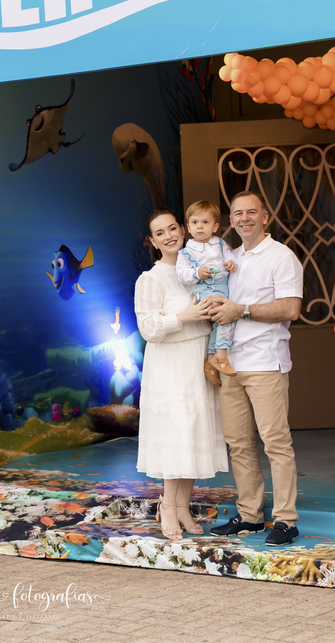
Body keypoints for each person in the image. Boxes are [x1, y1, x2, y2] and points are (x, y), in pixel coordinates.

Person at [207, 192, 305, 545]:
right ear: (231, 220)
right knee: (238, 444)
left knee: (275, 443)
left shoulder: (282, 256)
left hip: (265, 362)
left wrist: (243, 310)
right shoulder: (229, 259)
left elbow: (291, 308)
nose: (244, 218)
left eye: (252, 212)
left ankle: (286, 521)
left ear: (265, 217)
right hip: (230, 363)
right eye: (238, 213)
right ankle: (249, 516)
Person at [134, 208, 231, 540]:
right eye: (159, 233)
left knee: (192, 437)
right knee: (176, 437)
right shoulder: (151, 278)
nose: (168, 236)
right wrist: (184, 316)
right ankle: (167, 506)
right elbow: (148, 329)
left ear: (183, 230)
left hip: (197, 361)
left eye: (172, 228)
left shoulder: (199, 270)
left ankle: (183, 507)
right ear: (153, 241)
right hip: (169, 365)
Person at [175, 200, 239, 382]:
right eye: (195, 223)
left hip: (222, 288)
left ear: (215, 227)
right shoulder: (186, 252)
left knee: (219, 323)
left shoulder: (220, 244)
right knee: (226, 316)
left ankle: (211, 360)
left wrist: (231, 262)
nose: (200, 227)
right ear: (188, 227)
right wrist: (197, 272)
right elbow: (181, 274)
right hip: (205, 290)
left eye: (205, 222)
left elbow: (230, 255)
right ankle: (222, 356)